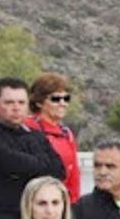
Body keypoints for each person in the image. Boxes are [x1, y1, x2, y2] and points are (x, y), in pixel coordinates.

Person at [0, 77, 66, 219]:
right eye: (9, 102)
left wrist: (29, 167)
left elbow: (59, 170)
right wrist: (41, 165)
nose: (16, 108)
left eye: (21, 103)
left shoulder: (36, 136)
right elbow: (12, 163)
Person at [27, 71, 81, 202]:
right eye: (56, 99)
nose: (62, 103)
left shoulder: (66, 133)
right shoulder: (27, 128)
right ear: (39, 102)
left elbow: (74, 175)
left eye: (66, 98)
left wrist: (74, 206)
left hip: (61, 203)